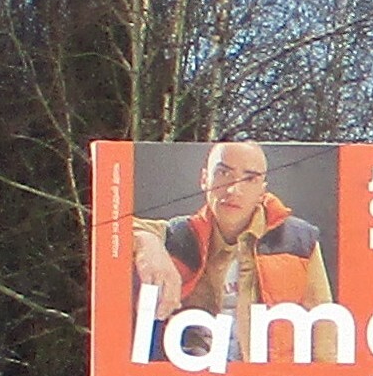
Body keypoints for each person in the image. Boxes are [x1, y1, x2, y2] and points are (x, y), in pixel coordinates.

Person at [129, 142, 340, 361]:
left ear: (262, 190)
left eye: (250, 179)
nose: (233, 190)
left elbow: (324, 328)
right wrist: (147, 243)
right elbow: (117, 227)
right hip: (195, 375)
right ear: (204, 179)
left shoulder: (299, 240)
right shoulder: (180, 234)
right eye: (223, 173)